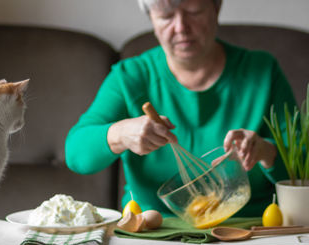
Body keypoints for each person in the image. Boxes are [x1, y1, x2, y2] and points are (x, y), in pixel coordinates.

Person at [65, 0, 296, 217]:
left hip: (251, 234)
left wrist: (266, 152)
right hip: (152, 237)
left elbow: (302, 166)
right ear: (152, 20)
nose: (181, 28)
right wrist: (120, 134)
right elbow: (76, 154)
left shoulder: (263, 71)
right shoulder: (130, 77)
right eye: (166, 16)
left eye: (194, 11)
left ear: (216, 9)